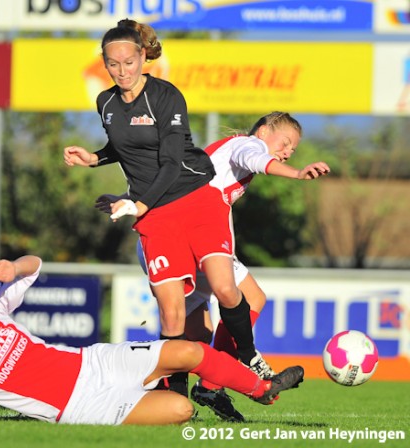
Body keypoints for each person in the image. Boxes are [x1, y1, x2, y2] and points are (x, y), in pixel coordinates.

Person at [63, 18, 274, 398]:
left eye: (129, 62)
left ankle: (248, 355)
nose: (122, 71)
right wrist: (94, 158)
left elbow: (172, 162)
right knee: (172, 314)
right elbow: (127, 145)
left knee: (226, 289)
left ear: (143, 58)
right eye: (113, 64)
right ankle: (174, 397)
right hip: (156, 216)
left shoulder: (167, 96)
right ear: (105, 64)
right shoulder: (105, 102)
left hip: (195, 200)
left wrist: (136, 203)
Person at [94, 111, 330, 422]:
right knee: (249, 299)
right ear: (264, 130)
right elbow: (257, 158)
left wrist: (129, 199)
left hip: (173, 237)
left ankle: (164, 394)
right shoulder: (245, 145)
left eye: (292, 150)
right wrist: (297, 173)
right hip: (190, 238)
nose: (287, 152)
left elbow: (173, 179)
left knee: (196, 337)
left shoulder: (218, 155)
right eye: (285, 142)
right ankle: (227, 374)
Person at [0, 255, 305, 425]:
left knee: (191, 351)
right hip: (85, 404)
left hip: (94, 362)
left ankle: (262, 389)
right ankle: (168, 392)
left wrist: (13, 267)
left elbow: (34, 266)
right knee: (180, 409)